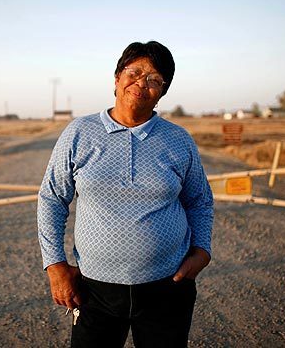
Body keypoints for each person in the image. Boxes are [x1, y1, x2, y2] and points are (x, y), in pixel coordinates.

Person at [37, 41, 214, 348]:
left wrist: (201, 251)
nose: (142, 83)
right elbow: (52, 198)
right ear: (117, 78)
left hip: (168, 286)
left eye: (154, 79)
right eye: (134, 72)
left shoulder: (178, 140)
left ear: (161, 93)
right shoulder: (79, 133)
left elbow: (199, 200)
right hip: (94, 290)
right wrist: (55, 265)